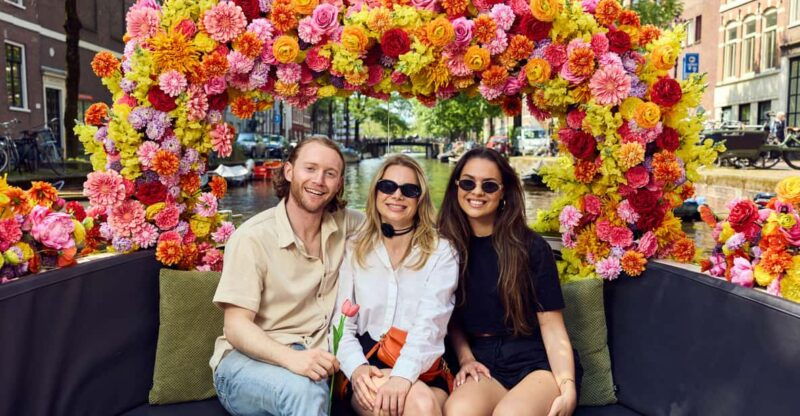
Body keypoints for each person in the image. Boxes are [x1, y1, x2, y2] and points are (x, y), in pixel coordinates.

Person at [210, 136, 364, 416]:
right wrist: (293, 359)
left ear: (339, 183)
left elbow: (396, 222)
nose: (319, 180)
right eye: (310, 168)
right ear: (289, 171)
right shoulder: (252, 238)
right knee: (304, 388)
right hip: (246, 365)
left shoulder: (347, 224)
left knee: (309, 386)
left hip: (314, 364)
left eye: (330, 174)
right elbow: (235, 327)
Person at [438, 148, 582, 416]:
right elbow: (450, 319)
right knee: (458, 411)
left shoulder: (531, 247)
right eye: (468, 183)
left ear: (503, 192)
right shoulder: (445, 248)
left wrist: (568, 385)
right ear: (457, 186)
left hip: (533, 360)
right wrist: (466, 358)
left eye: (489, 185)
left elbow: (551, 326)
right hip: (480, 360)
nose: (477, 192)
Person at [335, 155, 458, 416]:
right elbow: (342, 323)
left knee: (424, 404)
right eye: (388, 186)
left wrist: (402, 377)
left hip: (424, 363)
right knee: (420, 405)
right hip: (367, 362)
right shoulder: (355, 247)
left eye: (409, 190)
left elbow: (430, 323)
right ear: (376, 191)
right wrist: (356, 369)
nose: (397, 195)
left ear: (420, 198)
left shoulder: (442, 252)